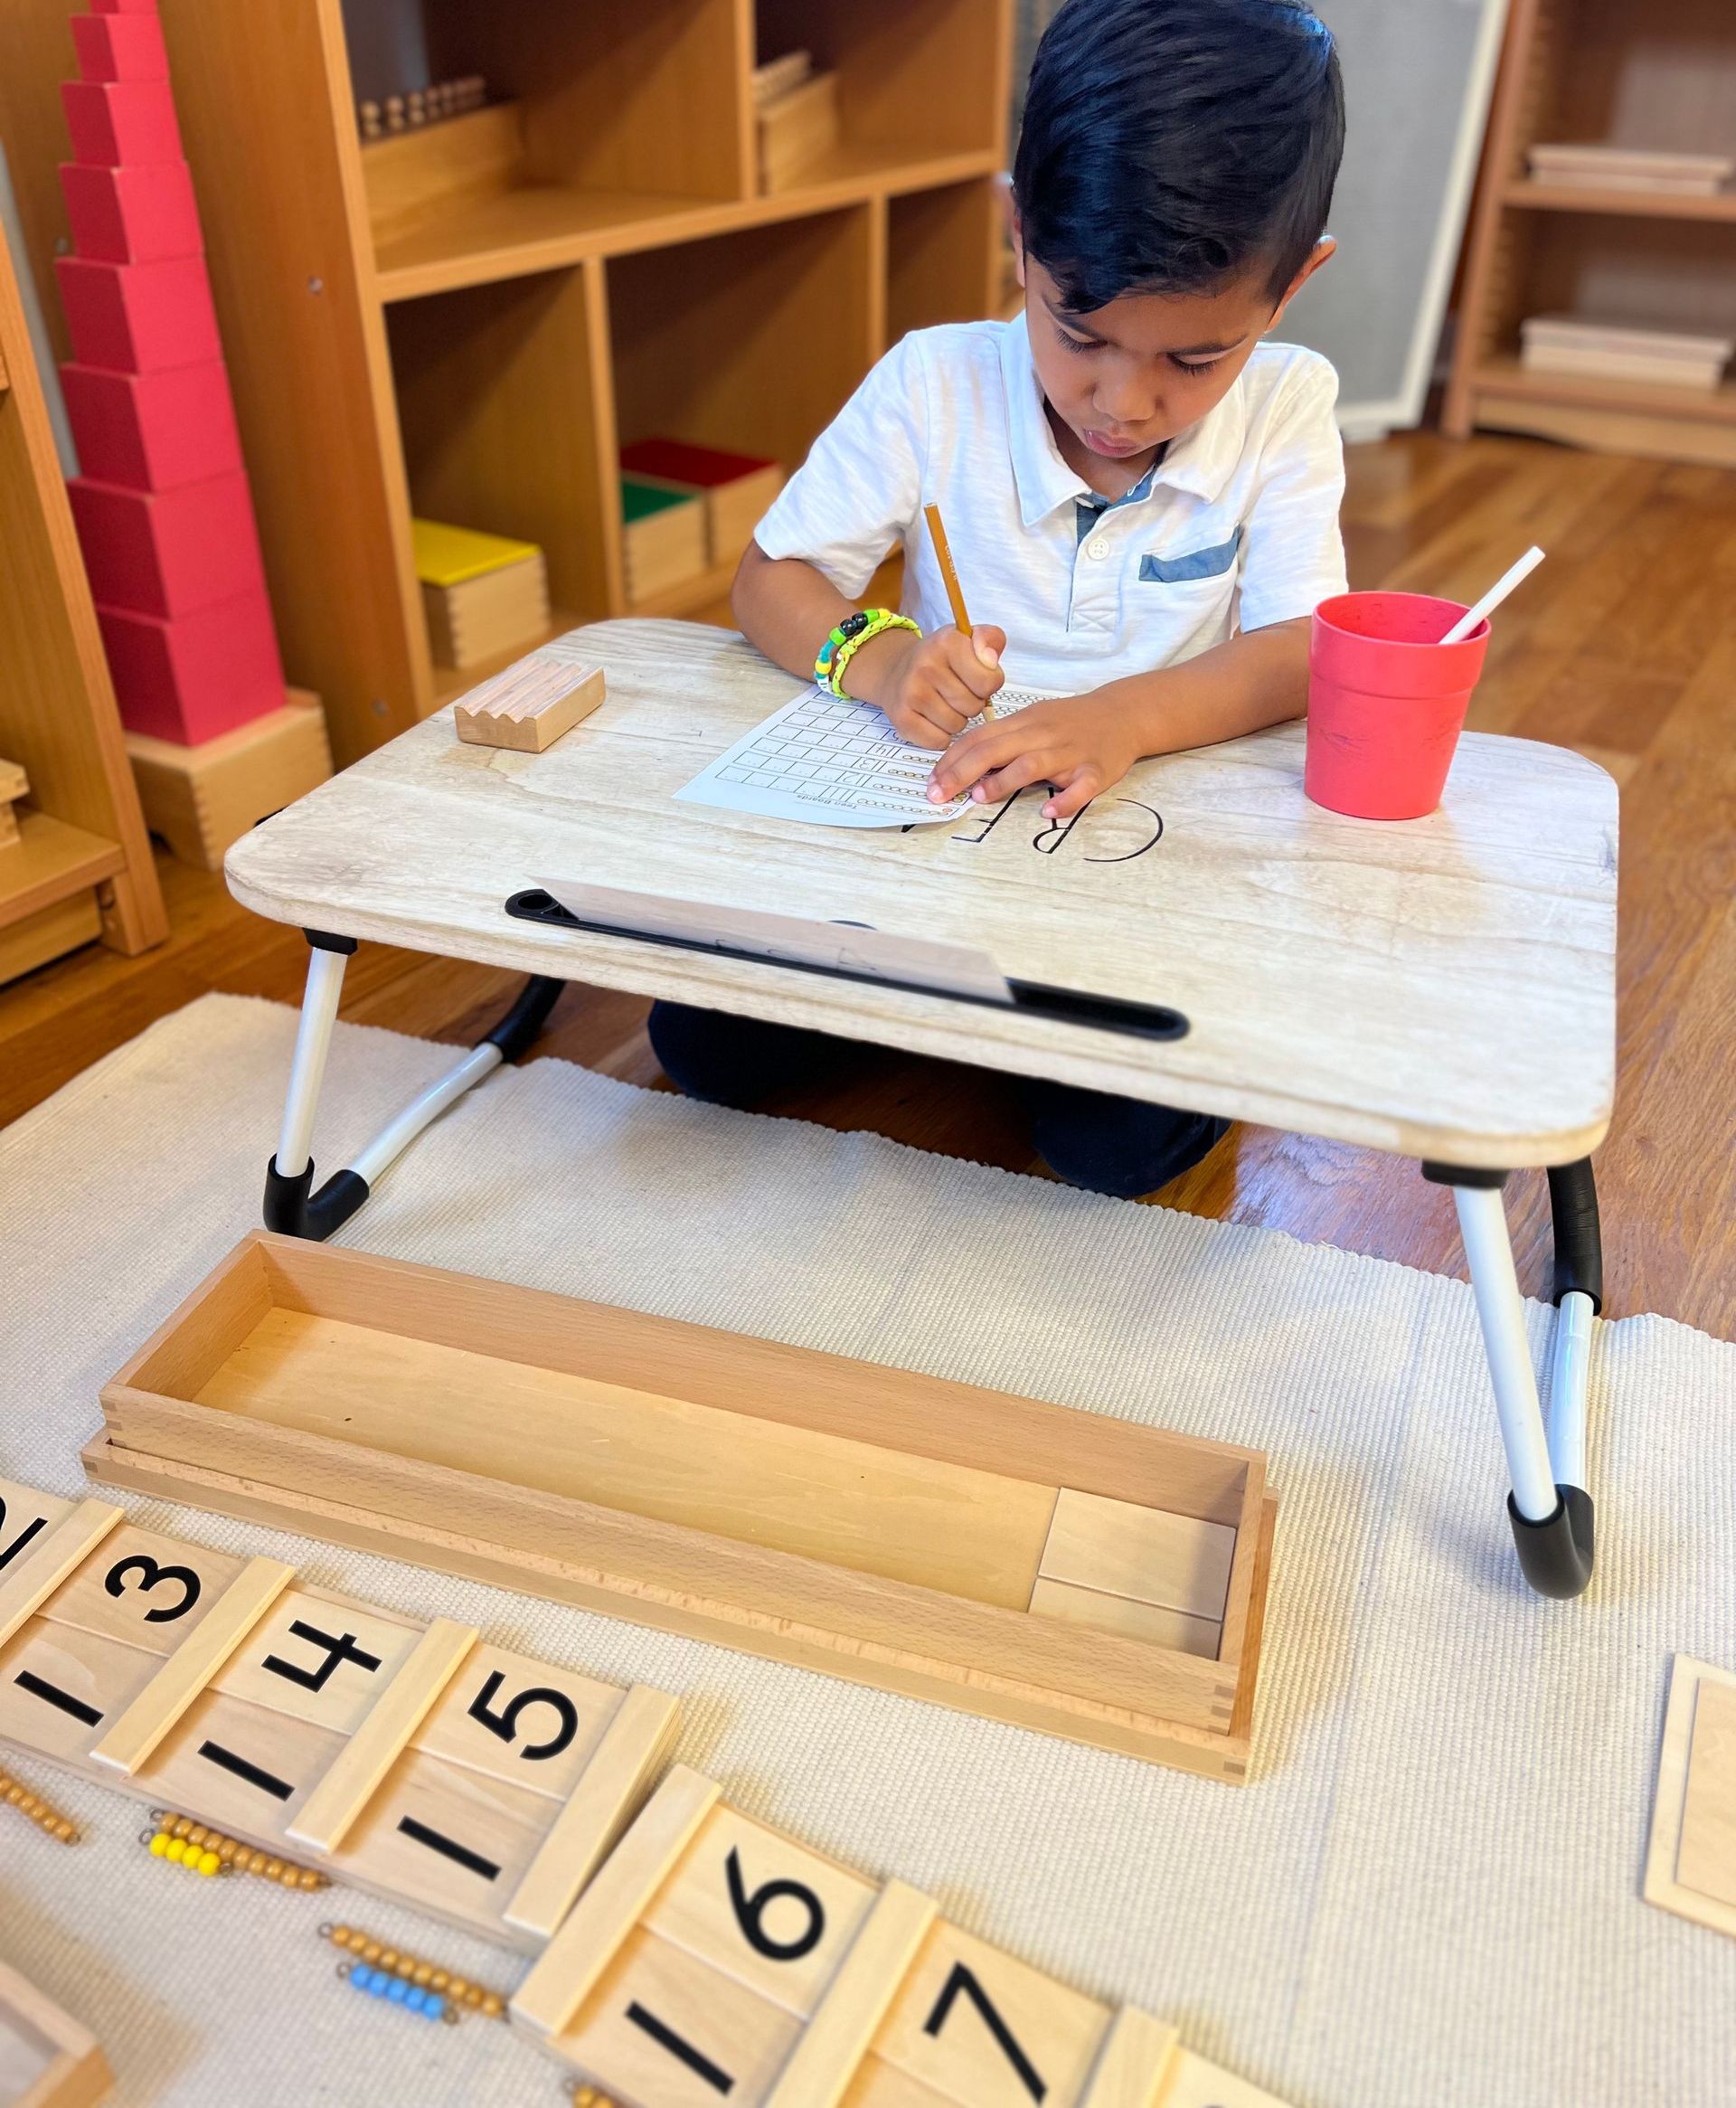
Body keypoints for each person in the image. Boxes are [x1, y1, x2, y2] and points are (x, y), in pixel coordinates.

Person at [651, 0, 1348, 1200]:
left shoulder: (1286, 405)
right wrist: (875, 659)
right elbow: (772, 580)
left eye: (1192, 359)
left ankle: (974, 1021)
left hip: (1131, 859)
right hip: (927, 840)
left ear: (1291, 287)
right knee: (701, 1045)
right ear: (1018, 235)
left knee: (1115, 1148)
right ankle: (951, 1007)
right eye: (1077, 330)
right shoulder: (935, 382)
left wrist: (1124, 719)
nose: (1120, 403)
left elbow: (1301, 652)